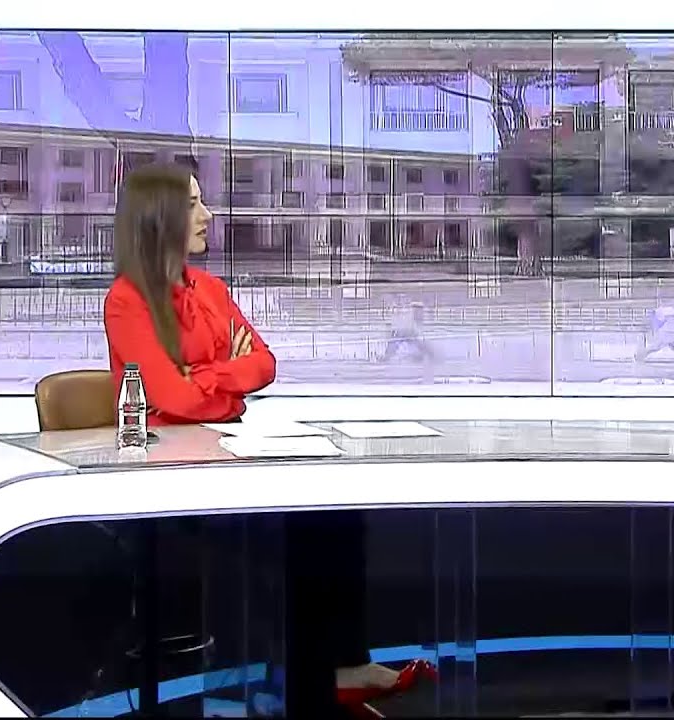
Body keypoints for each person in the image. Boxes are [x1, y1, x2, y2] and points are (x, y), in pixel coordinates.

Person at [102, 163, 432, 717]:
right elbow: (171, 399)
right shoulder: (126, 300)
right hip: (171, 478)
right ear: (159, 217)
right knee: (295, 539)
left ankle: (342, 668)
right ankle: (311, 692)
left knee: (336, 514)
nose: (208, 216)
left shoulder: (210, 289)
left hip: (225, 453)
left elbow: (263, 364)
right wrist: (218, 383)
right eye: (193, 205)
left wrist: (202, 379)